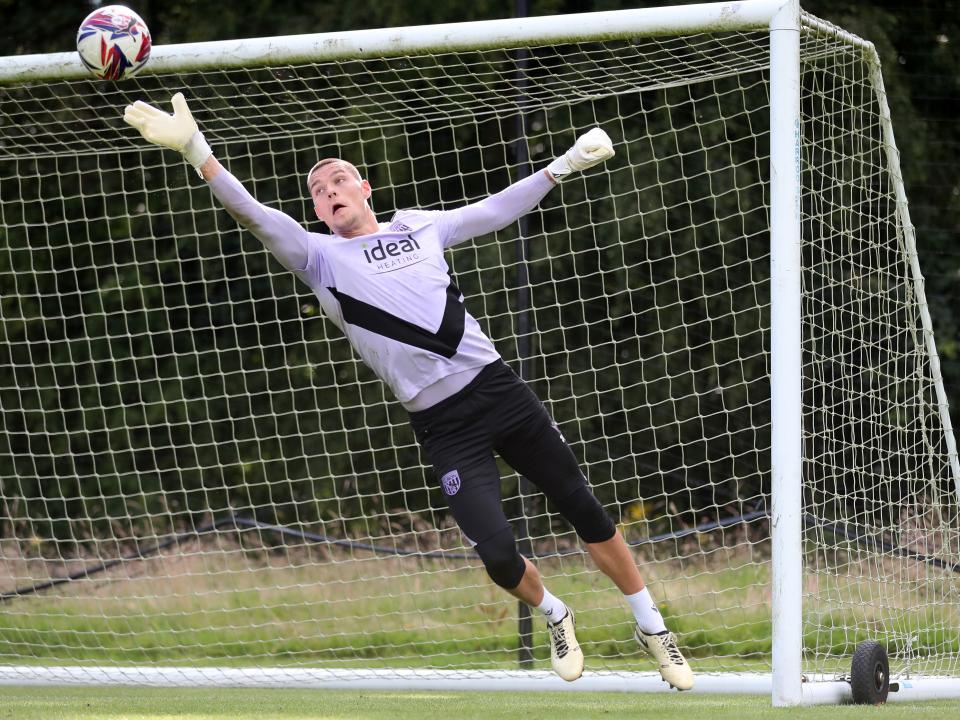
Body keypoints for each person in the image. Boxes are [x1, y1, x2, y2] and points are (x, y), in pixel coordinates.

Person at [123, 92, 694, 690]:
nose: (330, 190)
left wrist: (563, 166)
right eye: (319, 190)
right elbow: (254, 214)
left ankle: (652, 628)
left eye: (339, 179)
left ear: (364, 187)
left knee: (584, 508)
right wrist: (197, 151)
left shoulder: (420, 226)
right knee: (498, 557)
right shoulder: (318, 258)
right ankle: (556, 613)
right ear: (316, 212)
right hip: (445, 425)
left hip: (499, 390)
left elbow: (496, 210)